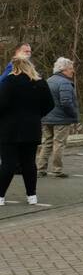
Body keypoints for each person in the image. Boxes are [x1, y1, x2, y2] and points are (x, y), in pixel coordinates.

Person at [0, 57, 54, 207]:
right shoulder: (40, 83)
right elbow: (50, 104)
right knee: (29, 163)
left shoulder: (9, 83)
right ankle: (32, 195)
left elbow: (1, 104)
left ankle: (1, 195)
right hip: (32, 128)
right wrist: (36, 115)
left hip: (9, 129)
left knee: (8, 163)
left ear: (14, 68)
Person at [37, 57, 79, 178]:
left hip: (46, 118)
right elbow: (66, 102)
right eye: (71, 69)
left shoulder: (48, 81)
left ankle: (41, 169)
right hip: (61, 119)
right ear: (64, 70)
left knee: (46, 143)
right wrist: (73, 114)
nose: (73, 71)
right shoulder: (65, 83)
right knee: (59, 143)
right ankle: (57, 170)